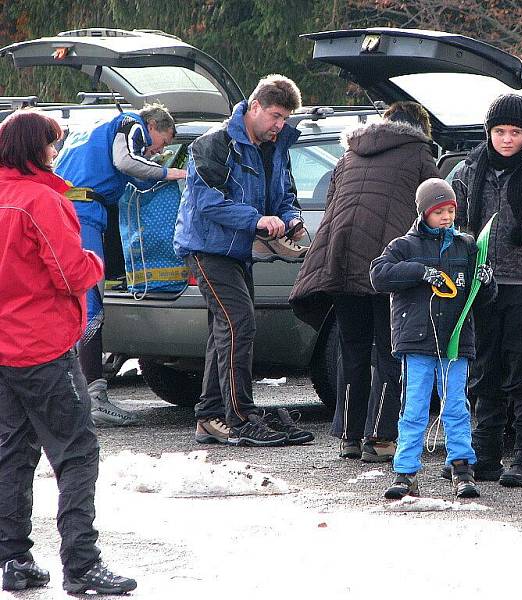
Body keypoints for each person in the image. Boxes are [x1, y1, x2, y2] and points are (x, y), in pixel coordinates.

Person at [0, 110, 136, 594]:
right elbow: (71, 273)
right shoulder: (42, 201)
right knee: (77, 453)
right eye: (53, 145)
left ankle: (13, 558)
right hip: (43, 347)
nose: (56, 152)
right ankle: (82, 565)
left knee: (13, 454)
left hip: (4, 349)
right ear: (37, 148)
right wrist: (98, 260)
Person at [289, 101, 439, 462]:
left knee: (352, 349)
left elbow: (331, 204)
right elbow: (434, 212)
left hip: (340, 259)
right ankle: (382, 437)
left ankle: (349, 436)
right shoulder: (420, 154)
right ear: (420, 128)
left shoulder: (349, 155)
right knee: (389, 350)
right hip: (386, 265)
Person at [174, 74, 312, 447]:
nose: (280, 126)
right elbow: (207, 203)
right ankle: (239, 416)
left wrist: (292, 219)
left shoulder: (276, 145)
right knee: (239, 324)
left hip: (238, 252)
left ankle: (209, 416)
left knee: (227, 329)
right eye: (276, 116)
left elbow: (285, 194)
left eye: (285, 119)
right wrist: (256, 220)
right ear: (254, 107)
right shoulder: (213, 145)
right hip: (206, 248)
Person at [451, 94, 522, 487]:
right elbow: (457, 223)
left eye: (515, 132)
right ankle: (484, 454)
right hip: (482, 286)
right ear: (488, 132)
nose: (506, 139)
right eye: (499, 131)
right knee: (484, 372)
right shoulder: (469, 171)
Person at [55, 102, 187, 427]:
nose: (158, 151)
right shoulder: (130, 124)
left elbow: (131, 179)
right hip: (83, 216)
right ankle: (94, 396)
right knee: (91, 304)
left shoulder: (92, 129)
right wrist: (175, 172)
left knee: (71, 304)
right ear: (153, 125)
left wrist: (157, 177)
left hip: (64, 212)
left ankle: (72, 392)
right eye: (164, 142)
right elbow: (126, 161)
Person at [370, 178, 496, 499]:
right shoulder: (404, 246)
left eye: (451, 209)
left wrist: (486, 282)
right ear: (423, 212)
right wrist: (419, 272)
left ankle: (462, 468)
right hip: (417, 344)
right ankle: (406, 472)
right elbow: (378, 275)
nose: (446, 216)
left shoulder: (467, 246)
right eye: (439, 210)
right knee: (413, 407)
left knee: (456, 406)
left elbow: (480, 299)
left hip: (456, 343)